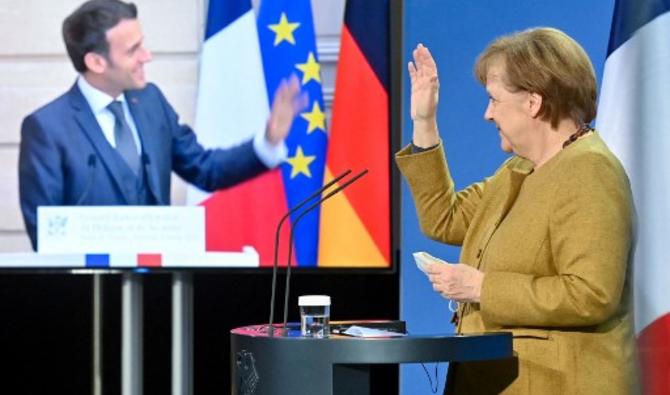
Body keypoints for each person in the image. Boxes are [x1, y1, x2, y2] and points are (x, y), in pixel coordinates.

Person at [396, 28, 636, 394]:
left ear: (533, 102)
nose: (487, 114)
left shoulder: (590, 171)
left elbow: (592, 295)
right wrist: (424, 122)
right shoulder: (518, 170)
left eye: (494, 100)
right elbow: (443, 218)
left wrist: (482, 287)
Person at [18, 0, 306, 249]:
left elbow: (205, 169)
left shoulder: (151, 102)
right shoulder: (47, 129)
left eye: (143, 43)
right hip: (91, 300)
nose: (148, 56)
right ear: (96, 62)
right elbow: (46, 234)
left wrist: (267, 141)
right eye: (133, 50)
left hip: (159, 292)